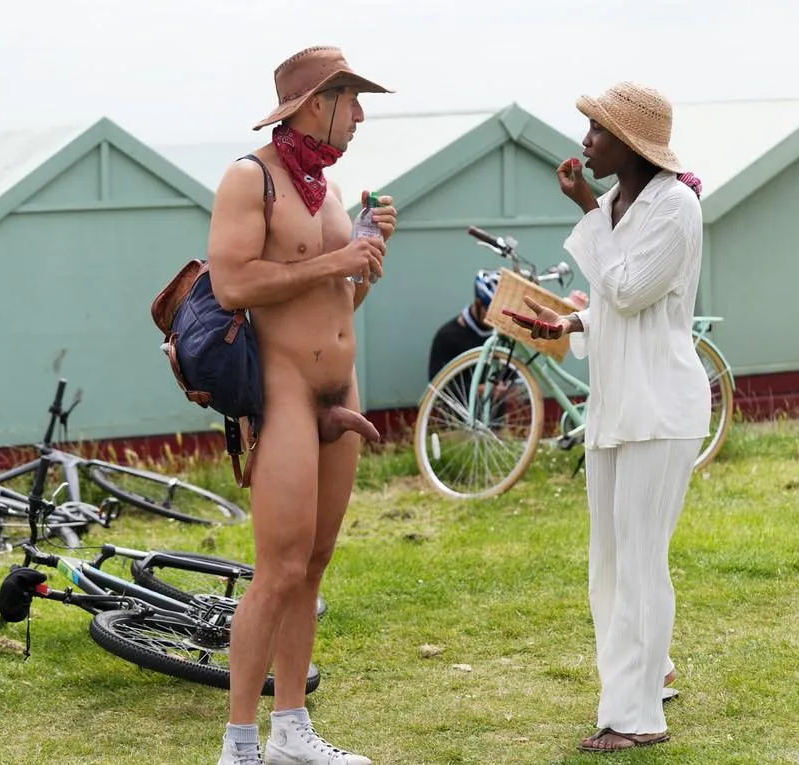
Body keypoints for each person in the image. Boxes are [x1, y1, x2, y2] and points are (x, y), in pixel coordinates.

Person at [207, 46, 397, 765]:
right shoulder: (248, 178)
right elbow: (233, 284)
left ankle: (291, 729)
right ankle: (239, 742)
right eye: (352, 100)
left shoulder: (332, 190)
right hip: (283, 390)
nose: (360, 116)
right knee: (278, 567)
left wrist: (370, 257)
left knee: (314, 563)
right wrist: (335, 262)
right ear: (317, 101)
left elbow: (338, 299)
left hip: (340, 390)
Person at [509, 82, 711, 752]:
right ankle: (648, 676)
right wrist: (567, 320)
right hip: (618, 406)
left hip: (661, 408)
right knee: (611, 562)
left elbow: (628, 287)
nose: (585, 142)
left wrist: (588, 209)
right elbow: (614, 303)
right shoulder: (625, 205)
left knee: (641, 562)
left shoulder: (676, 206)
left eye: (595, 130)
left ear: (629, 142)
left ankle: (636, 715)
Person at [427, 271, 589, 381]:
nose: (494, 313)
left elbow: (512, 373)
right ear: (478, 304)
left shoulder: (500, 334)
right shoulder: (447, 336)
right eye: (490, 308)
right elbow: (437, 382)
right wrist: (480, 390)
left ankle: (570, 310)